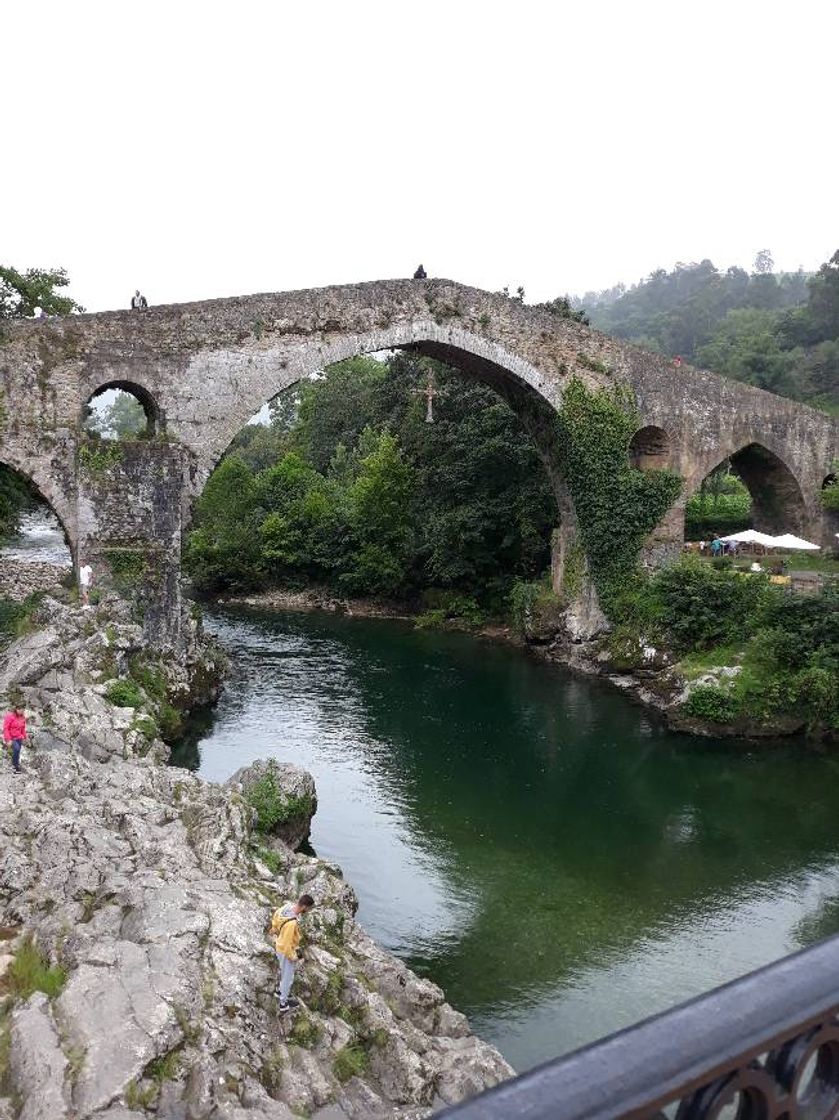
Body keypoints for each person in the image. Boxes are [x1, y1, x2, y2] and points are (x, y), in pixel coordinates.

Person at [271, 894, 315, 1013]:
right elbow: (287, 945)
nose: (308, 911)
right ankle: (283, 1003)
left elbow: (275, 917)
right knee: (288, 977)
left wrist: (274, 929)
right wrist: (293, 957)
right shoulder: (292, 923)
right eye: (308, 908)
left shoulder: (286, 907)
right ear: (304, 906)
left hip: (278, 945)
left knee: (283, 970)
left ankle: (279, 991)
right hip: (285, 951)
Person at [3, 703, 27, 773]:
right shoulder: (10, 716)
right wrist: (8, 740)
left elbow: (23, 729)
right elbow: (5, 728)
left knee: (18, 751)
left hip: (19, 737)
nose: (22, 712)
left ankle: (16, 764)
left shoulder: (22, 717)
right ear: (17, 709)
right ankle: (14, 766)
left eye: (23, 710)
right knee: (16, 749)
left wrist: (25, 737)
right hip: (11, 737)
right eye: (21, 710)